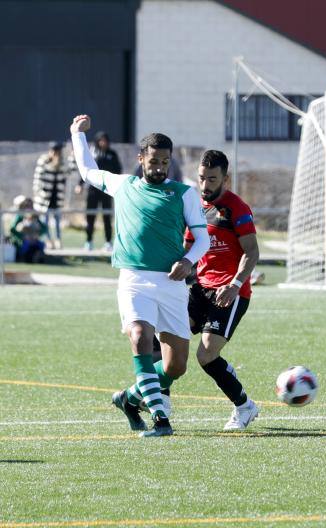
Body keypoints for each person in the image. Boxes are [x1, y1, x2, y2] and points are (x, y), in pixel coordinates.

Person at [70, 114, 210, 438]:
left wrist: (189, 262)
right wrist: (77, 135)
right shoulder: (123, 185)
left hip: (172, 283)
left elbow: (202, 238)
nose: (159, 167)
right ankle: (160, 417)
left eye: (164, 161)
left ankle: (129, 398)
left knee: (176, 366)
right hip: (134, 279)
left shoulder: (184, 194)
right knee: (139, 337)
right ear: (140, 158)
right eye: (153, 161)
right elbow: (88, 171)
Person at [182, 150, 260, 430]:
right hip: (200, 289)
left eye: (212, 179)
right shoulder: (195, 205)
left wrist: (236, 283)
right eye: (201, 178)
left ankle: (244, 406)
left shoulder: (236, 208)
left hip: (230, 292)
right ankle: (155, 399)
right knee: (165, 335)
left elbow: (252, 251)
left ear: (225, 178)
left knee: (206, 355)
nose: (205, 185)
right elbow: (189, 247)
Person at [75, 131, 119, 251]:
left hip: (107, 190)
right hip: (93, 190)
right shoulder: (92, 153)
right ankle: (88, 241)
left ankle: (108, 242)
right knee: (90, 216)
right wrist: (80, 184)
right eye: (101, 140)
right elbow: (86, 170)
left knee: (106, 217)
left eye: (105, 140)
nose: (103, 143)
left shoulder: (112, 154)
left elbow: (118, 170)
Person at [32, 141, 75, 249]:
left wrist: (73, 158)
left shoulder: (61, 163)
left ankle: (58, 241)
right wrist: (41, 193)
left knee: (57, 222)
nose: (59, 153)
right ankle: (48, 241)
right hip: (45, 199)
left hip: (57, 199)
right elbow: (37, 180)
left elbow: (70, 172)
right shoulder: (44, 161)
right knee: (44, 222)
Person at [9, 195, 47, 263]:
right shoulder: (20, 216)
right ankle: (22, 258)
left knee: (41, 244)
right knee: (25, 246)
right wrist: (23, 237)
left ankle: (38, 257)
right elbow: (12, 229)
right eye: (27, 205)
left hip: (34, 239)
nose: (29, 207)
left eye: (30, 205)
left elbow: (44, 228)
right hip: (22, 241)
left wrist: (37, 235)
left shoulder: (35, 216)